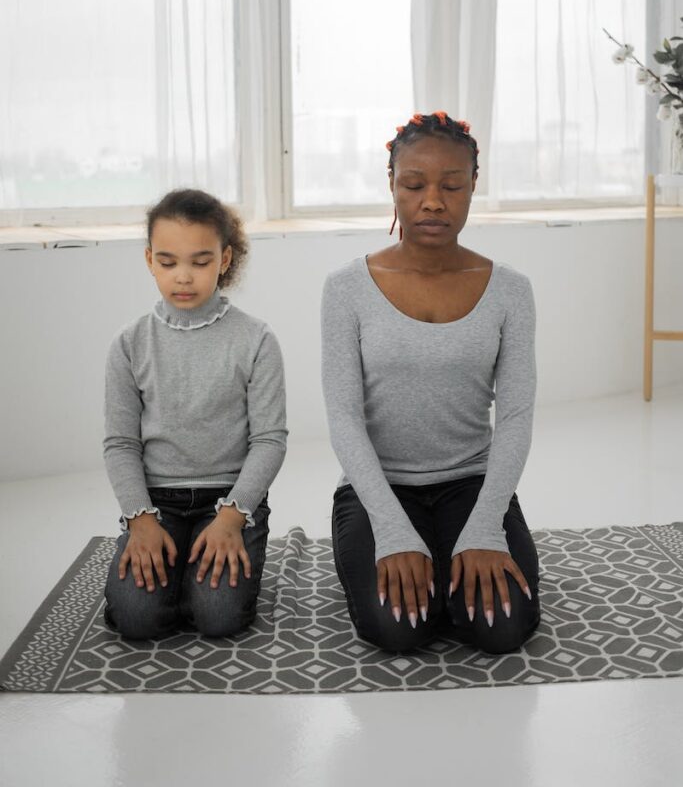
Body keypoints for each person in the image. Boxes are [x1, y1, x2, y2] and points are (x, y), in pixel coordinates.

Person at [321, 112, 540, 654]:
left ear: (473, 185)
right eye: (414, 184)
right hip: (379, 486)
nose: (433, 201)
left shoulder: (511, 290)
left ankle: (451, 560)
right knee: (398, 629)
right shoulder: (346, 288)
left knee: (503, 629)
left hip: (471, 482)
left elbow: (514, 417)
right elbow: (344, 418)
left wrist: (486, 526)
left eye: (452, 185)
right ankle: (418, 560)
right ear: (392, 184)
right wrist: (393, 534)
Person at [103, 188, 287, 639]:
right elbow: (121, 443)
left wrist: (232, 517)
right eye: (168, 262)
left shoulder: (257, 340)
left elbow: (269, 440)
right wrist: (140, 520)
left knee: (218, 619)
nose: (183, 277)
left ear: (224, 260)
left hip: (228, 499)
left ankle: (202, 582)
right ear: (149, 260)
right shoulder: (129, 344)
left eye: (200, 262)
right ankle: (177, 578)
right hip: (157, 502)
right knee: (135, 620)